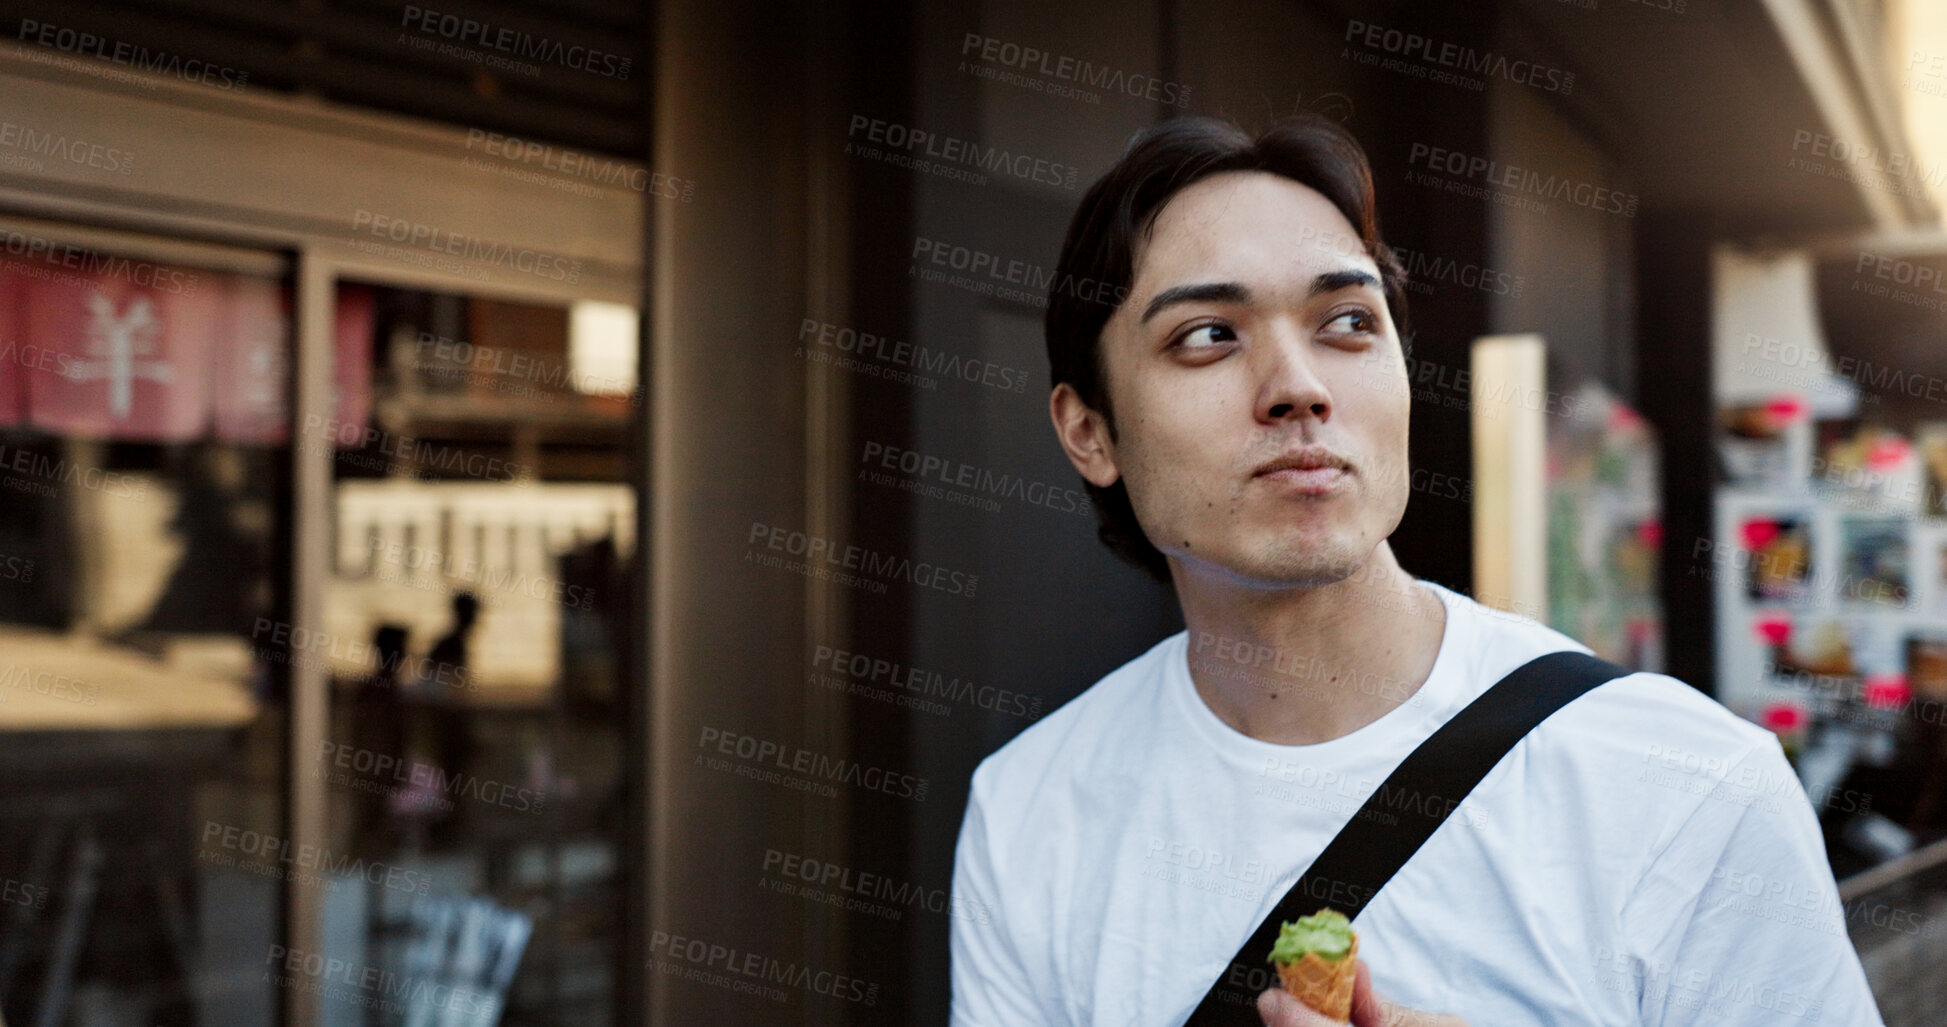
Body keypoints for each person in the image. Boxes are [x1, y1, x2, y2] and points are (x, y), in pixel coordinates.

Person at [947, 115, 1884, 1027]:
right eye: (1208, 335)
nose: (1298, 386)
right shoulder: (1031, 809)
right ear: (1088, 431)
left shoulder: (1690, 787)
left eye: (1347, 320)